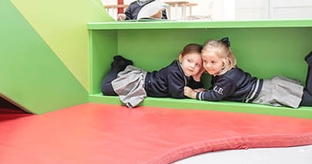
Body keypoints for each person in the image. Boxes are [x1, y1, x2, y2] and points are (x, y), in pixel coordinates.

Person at [184, 37, 312, 108]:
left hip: (267, 93)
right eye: (205, 61)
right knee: (308, 94)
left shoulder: (227, 78)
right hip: (265, 87)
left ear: (225, 61)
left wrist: (193, 95)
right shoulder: (223, 72)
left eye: (213, 62)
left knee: (310, 98)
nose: (207, 66)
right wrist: (205, 91)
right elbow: (218, 90)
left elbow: (215, 96)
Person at [101, 43, 205, 107]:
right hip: (140, 83)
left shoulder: (185, 72)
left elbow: (193, 87)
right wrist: (193, 93)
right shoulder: (174, 71)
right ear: (181, 58)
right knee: (106, 88)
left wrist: (197, 79)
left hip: (146, 82)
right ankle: (117, 66)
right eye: (189, 61)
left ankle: (123, 66)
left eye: (197, 65)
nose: (192, 66)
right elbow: (176, 93)